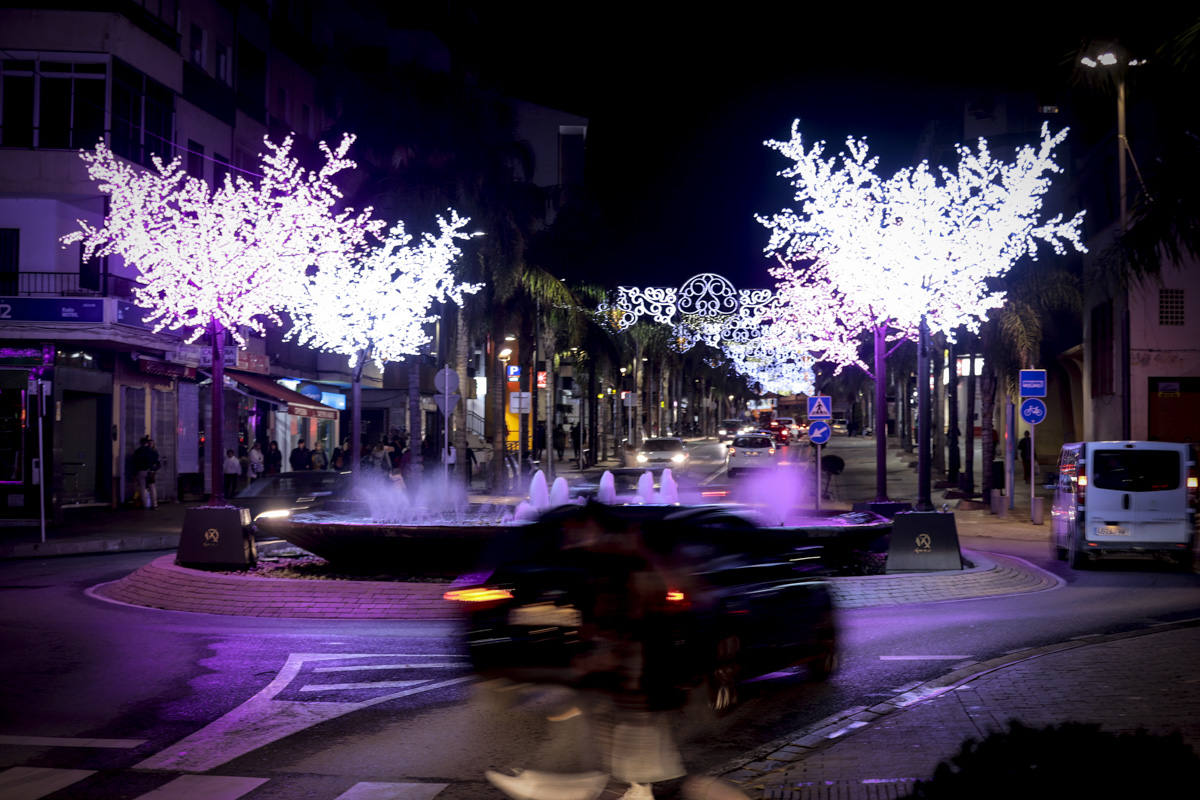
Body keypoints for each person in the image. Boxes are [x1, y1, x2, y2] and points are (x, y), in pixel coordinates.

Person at [132, 436, 160, 509]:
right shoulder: (152, 451)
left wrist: (135, 473)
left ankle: (145, 505)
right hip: (150, 471)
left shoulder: (138, 451)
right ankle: (154, 505)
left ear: (141, 443)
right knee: (152, 487)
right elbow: (156, 461)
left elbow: (135, 462)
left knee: (142, 487)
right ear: (147, 443)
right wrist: (154, 469)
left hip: (141, 471)